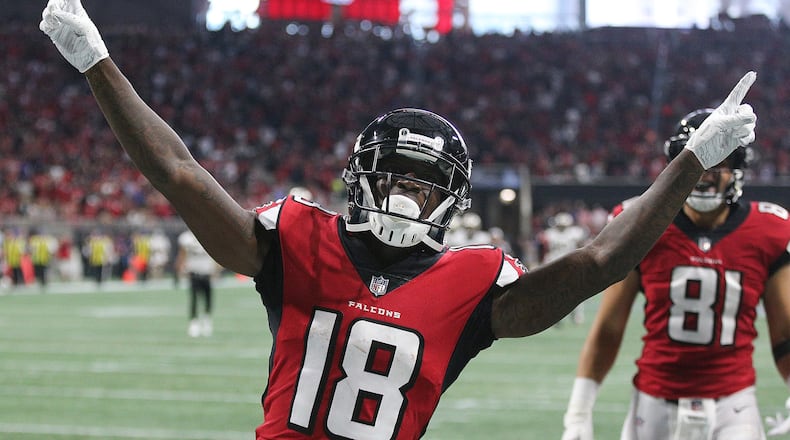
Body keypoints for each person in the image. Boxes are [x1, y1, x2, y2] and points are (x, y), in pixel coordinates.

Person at [39, 1, 758, 437]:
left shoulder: (472, 280)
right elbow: (180, 174)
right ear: (359, 180)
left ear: (451, 200)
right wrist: (98, 62)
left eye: (425, 187)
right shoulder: (298, 237)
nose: (407, 199)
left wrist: (692, 159)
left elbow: (601, 261)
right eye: (396, 180)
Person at [560, 109, 790, 440]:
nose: (706, 174)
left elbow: (785, 335)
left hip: (734, 404)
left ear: (737, 167)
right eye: (698, 160)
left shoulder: (768, 228)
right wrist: (579, 411)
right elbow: (609, 329)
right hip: (654, 402)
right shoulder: (640, 224)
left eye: (719, 161)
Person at [538, 212, 590, 325]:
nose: (562, 226)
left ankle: (577, 316)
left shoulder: (574, 233)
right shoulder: (550, 234)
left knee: (576, 291)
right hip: (553, 264)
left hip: (570, 265)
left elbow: (583, 244)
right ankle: (555, 318)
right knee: (554, 293)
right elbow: (543, 249)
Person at [175, 228, 220, 337]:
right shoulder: (186, 238)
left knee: (208, 299)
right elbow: (182, 255)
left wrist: (216, 269)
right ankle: (194, 323)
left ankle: (206, 320)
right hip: (193, 272)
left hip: (207, 272)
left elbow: (216, 254)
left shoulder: (209, 236)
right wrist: (180, 269)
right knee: (194, 298)